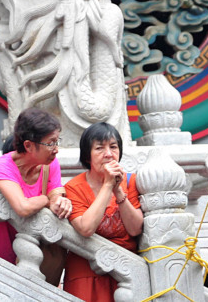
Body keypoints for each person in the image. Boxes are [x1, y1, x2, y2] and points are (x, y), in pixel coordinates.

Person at [0, 108, 71, 285]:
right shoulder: (3, 166)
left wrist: (62, 201)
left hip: (22, 254)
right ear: (29, 145)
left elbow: (57, 196)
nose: (56, 149)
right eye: (51, 143)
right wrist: (46, 199)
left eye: (57, 141)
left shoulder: (49, 165)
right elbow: (22, 207)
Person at [64, 121, 143, 301]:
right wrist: (108, 184)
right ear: (87, 156)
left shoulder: (130, 182)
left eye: (113, 147)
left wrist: (118, 190)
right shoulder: (74, 188)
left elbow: (135, 229)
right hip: (86, 271)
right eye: (99, 148)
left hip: (125, 270)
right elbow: (85, 228)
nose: (108, 154)